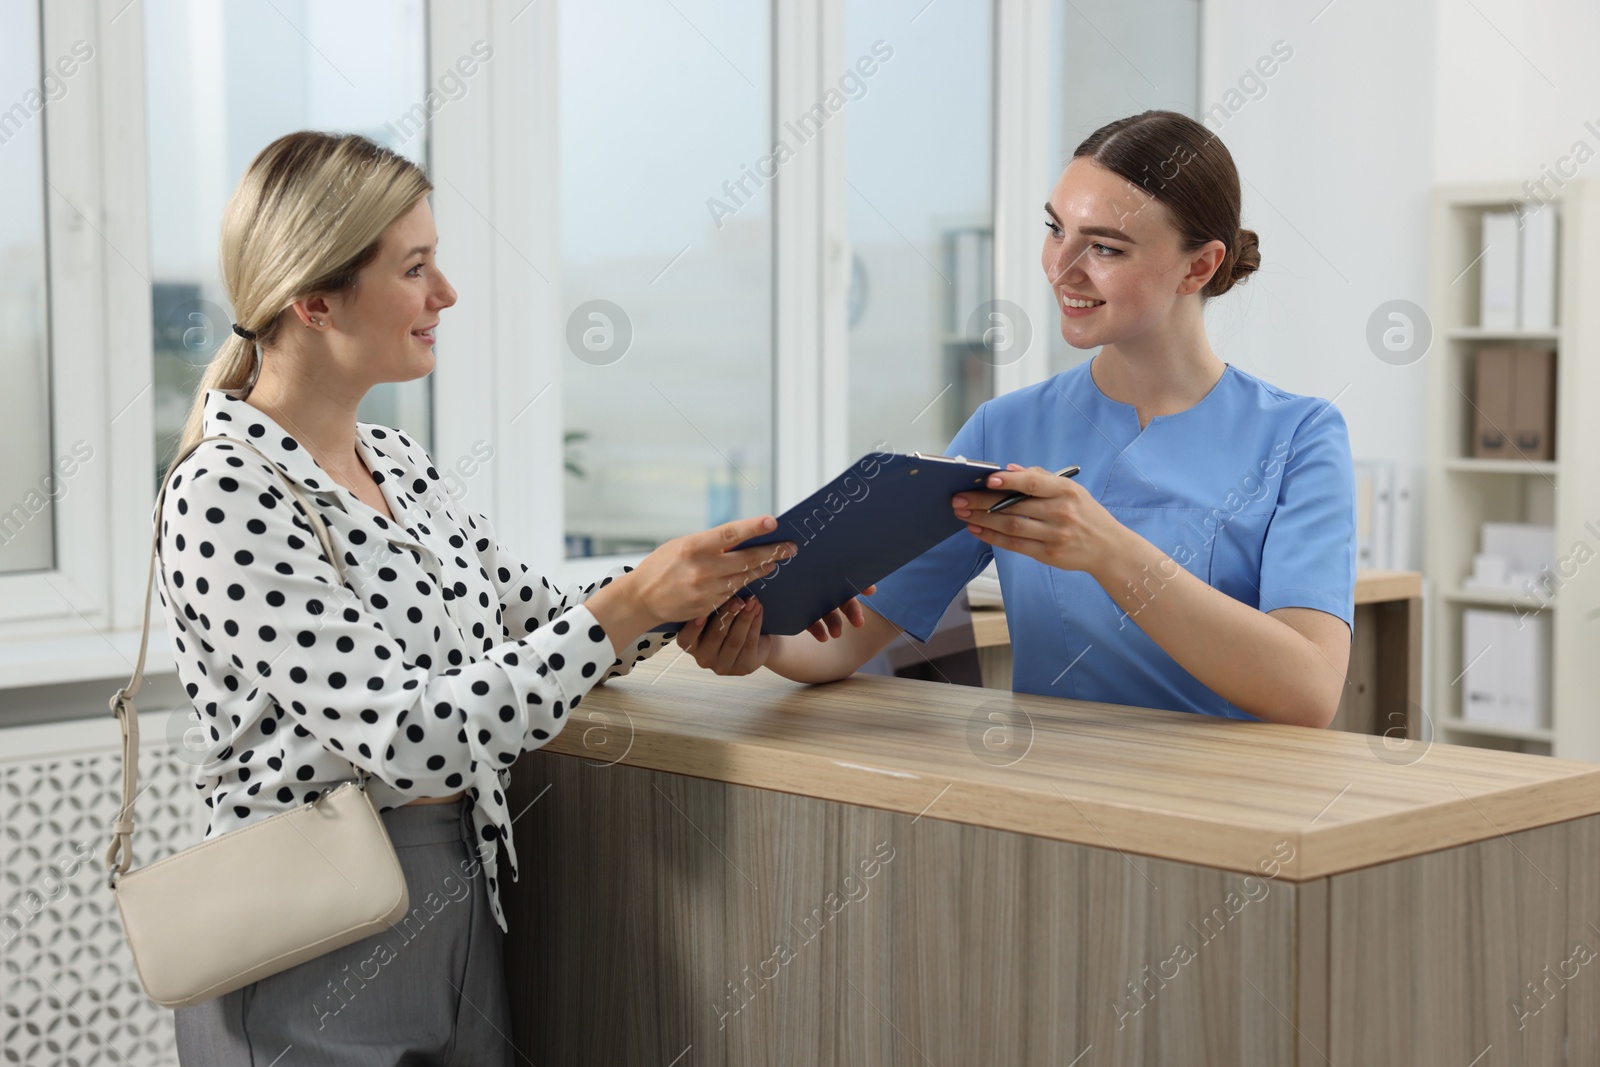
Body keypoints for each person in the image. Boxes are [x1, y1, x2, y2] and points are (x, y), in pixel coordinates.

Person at [160, 131, 864, 1064]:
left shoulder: (400, 465)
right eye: (416, 268)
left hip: (461, 881)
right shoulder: (226, 489)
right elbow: (407, 737)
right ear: (315, 300)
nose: (444, 294)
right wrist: (627, 604)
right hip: (313, 930)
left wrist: (700, 591)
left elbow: (533, 620)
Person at [676, 110, 1356, 728]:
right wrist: (763, 639)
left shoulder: (1301, 437)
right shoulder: (1005, 429)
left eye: (1106, 248)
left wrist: (1109, 550)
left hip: (1233, 808)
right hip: (1044, 807)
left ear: (1199, 266)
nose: (1062, 268)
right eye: (1056, 229)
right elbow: (851, 639)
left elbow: (1308, 694)